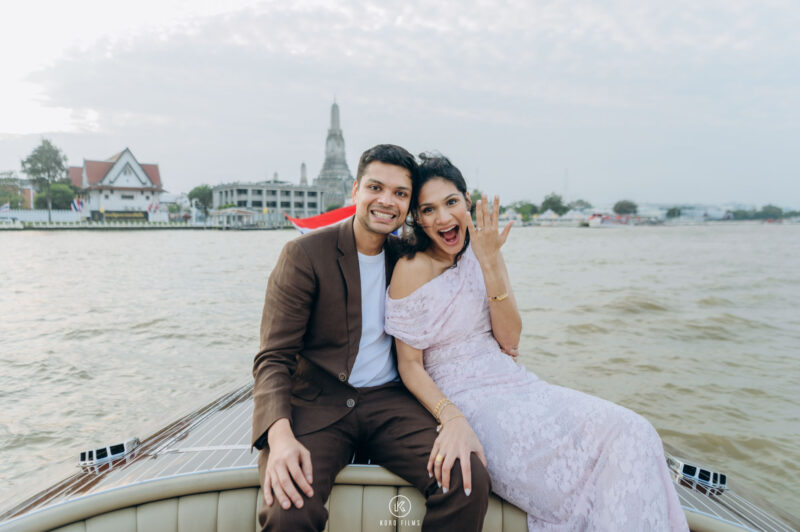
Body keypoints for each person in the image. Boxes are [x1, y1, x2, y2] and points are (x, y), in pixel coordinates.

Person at [385, 153, 689, 531]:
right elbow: (409, 365)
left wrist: (491, 261)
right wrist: (451, 416)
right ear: (418, 218)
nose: (443, 219)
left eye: (451, 203)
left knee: (634, 429)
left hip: (516, 383)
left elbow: (510, 337)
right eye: (428, 210)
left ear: (468, 201)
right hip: (464, 399)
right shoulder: (410, 269)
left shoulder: (484, 253)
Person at [251, 145, 491, 531]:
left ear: (409, 205)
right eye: (376, 187)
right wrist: (278, 436)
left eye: (400, 194)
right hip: (318, 405)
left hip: (390, 402)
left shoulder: (408, 259)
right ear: (355, 191)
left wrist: (490, 258)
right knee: (290, 508)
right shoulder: (304, 255)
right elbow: (273, 358)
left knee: (466, 479)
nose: (386, 201)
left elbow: (461, 282)